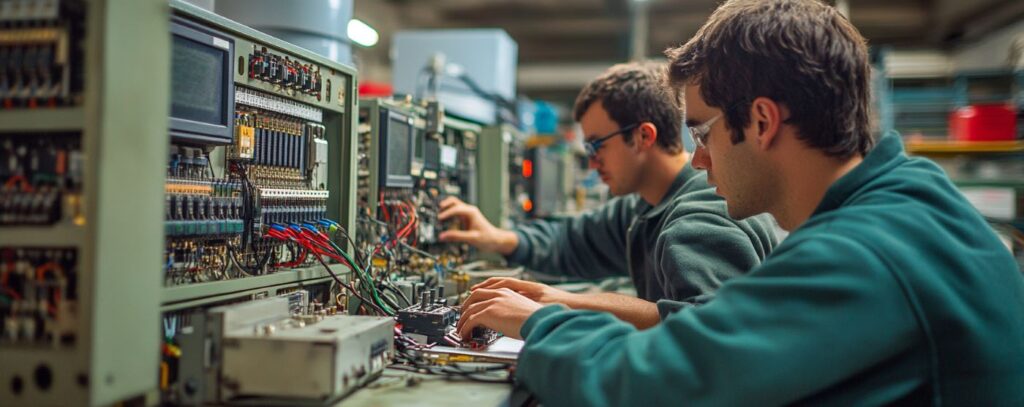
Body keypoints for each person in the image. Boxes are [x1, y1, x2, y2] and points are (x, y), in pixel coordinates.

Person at [455, 0, 1024, 405]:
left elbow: (653, 385)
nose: (698, 162)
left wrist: (546, 323)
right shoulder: (912, 197)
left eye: (703, 134)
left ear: (761, 120)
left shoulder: (861, 253)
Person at [439, 61, 777, 329]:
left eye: (597, 145)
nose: (591, 159)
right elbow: (573, 240)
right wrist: (500, 238)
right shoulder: (645, 206)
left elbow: (707, 336)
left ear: (644, 136)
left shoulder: (697, 220)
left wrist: (552, 304)